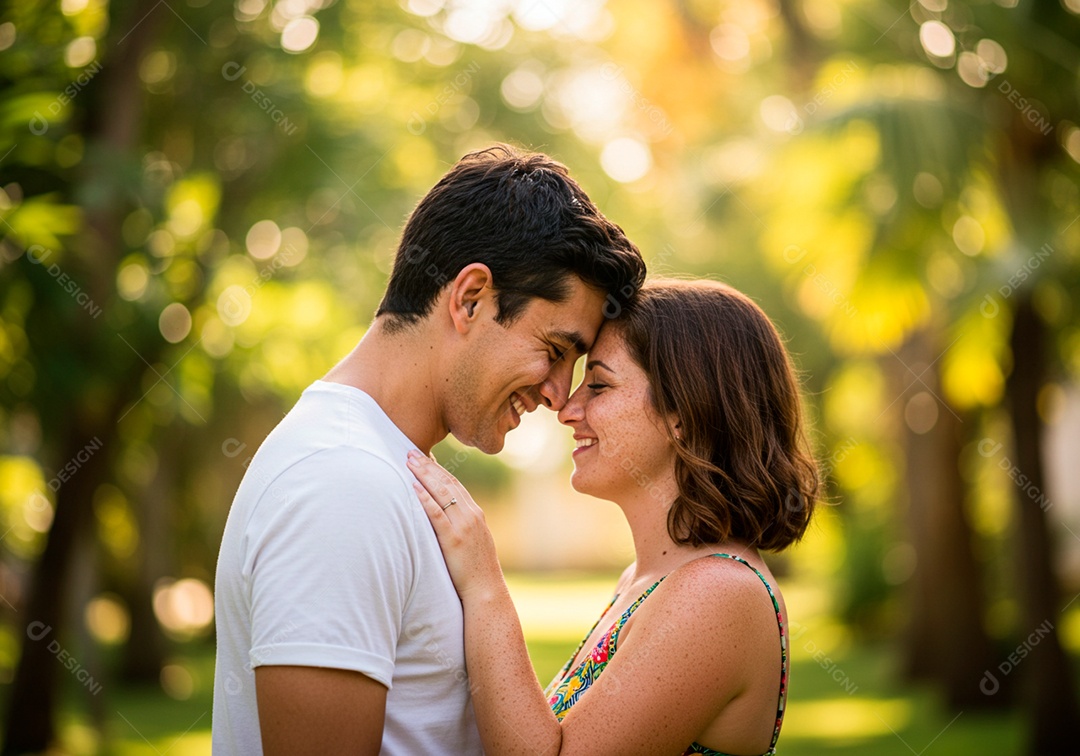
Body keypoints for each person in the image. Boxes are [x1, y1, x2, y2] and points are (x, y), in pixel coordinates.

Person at [211, 144, 645, 755]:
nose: (557, 395)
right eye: (554, 350)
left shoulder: (384, 468)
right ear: (471, 298)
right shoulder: (341, 484)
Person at [409, 278, 819, 756]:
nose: (566, 408)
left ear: (683, 414)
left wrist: (484, 584)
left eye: (599, 385)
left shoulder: (717, 593)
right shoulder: (645, 580)